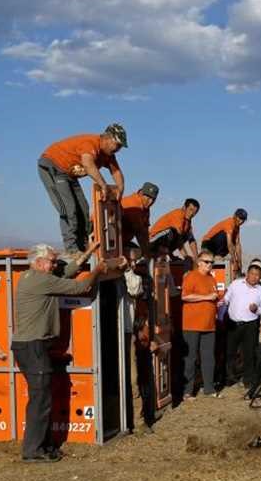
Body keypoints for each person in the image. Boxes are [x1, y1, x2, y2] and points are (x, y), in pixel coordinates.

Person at [12, 242, 125, 463]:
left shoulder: (34, 277)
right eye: (52, 262)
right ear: (39, 262)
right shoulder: (41, 280)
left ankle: (42, 447)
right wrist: (97, 271)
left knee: (42, 398)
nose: (55, 265)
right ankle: (32, 450)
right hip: (32, 346)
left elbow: (66, 272)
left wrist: (89, 253)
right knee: (40, 399)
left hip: (31, 346)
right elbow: (79, 288)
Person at [37, 124, 128, 256]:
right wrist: (103, 185)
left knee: (83, 209)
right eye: (117, 145)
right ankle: (71, 249)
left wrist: (120, 190)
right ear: (107, 138)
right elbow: (88, 164)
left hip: (69, 174)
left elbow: (117, 173)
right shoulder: (91, 143)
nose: (118, 149)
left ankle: (83, 247)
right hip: (53, 166)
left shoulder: (108, 155)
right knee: (69, 208)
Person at [122, 247, 157, 434]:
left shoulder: (133, 276)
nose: (133, 264)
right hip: (107, 334)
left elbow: (135, 288)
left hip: (128, 333)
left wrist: (127, 269)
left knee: (133, 379)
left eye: (135, 261)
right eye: (131, 260)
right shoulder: (109, 274)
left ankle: (137, 419)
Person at [222, 263, 261, 390]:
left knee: (249, 353)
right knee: (230, 352)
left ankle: (248, 380)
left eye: (258, 276)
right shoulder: (236, 284)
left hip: (250, 326)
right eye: (253, 274)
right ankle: (229, 378)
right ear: (247, 273)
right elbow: (226, 299)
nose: (255, 277)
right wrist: (222, 303)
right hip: (233, 324)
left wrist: (257, 310)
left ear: (260, 277)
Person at [180, 251, 220, 400]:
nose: (210, 265)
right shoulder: (191, 276)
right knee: (190, 358)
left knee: (209, 357)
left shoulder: (211, 279)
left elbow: (214, 297)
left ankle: (209, 388)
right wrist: (207, 297)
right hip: (192, 325)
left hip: (209, 326)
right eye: (207, 262)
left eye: (212, 262)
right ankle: (187, 391)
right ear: (199, 262)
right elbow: (185, 296)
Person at [201, 209, 247, 276]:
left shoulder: (237, 227)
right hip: (208, 244)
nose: (241, 221)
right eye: (240, 218)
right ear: (235, 216)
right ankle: (217, 254)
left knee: (233, 240)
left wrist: (240, 262)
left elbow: (237, 245)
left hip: (219, 246)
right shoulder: (229, 222)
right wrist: (234, 261)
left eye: (243, 220)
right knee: (227, 237)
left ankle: (219, 255)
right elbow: (229, 244)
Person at [121, 182, 159, 257]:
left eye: (153, 199)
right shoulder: (134, 204)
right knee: (137, 253)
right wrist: (147, 254)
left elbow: (145, 232)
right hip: (108, 242)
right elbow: (140, 234)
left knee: (141, 252)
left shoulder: (145, 208)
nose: (150, 201)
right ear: (141, 193)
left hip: (123, 241)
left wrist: (149, 250)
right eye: (148, 197)